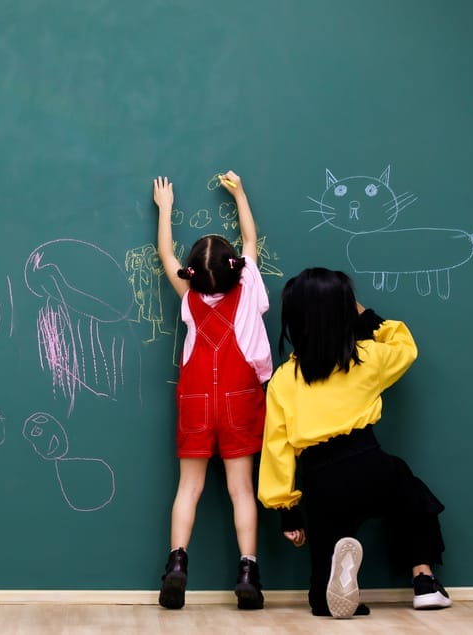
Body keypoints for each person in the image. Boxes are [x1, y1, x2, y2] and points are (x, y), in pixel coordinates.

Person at [258, 267, 452, 618]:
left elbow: (277, 448)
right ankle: (423, 580)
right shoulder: (366, 359)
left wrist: (286, 510)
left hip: (322, 481)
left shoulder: (284, 379)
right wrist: (365, 316)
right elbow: (405, 348)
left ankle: (328, 586)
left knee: (320, 586)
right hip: (370, 463)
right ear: (346, 313)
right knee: (412, 499)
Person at [152, 172, 273, 610]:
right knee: (242, 490)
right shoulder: (250, 285)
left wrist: (165, 208)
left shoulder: (187, 295)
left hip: (197, 401)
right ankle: (247, 572)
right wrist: (240, 192)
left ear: (192, 274)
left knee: (189, 488)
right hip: (242, 399)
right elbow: (251, 238)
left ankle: (176, 565)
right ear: (234, 267)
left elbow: (164, 252)